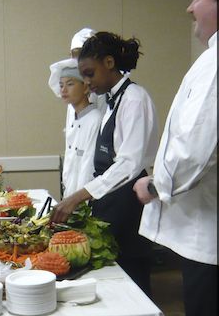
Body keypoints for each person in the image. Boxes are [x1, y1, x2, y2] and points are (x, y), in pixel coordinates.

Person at [133, 0, 217, 316]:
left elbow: (195, 144)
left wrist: (155, 185)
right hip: (204, 231)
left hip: (209, 238)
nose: (189, 8)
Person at [51, 32, 159, 297]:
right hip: (109, 199)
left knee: (132, 276)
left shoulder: (134, 99)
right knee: (112, 276)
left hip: (129, 199)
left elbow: (128, 165)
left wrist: (78, 196)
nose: (87, 82)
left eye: (89, 74)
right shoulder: (112, 101)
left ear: (109, 63)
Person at [48, 57, 102, 197]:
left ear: (85, 87)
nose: (64, 90)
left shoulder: (95, 119)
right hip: (71, 196)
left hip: (84, 200)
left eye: (70, 84)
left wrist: (77, 202)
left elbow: (89, 167)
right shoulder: (73, 119)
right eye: (61, 85)